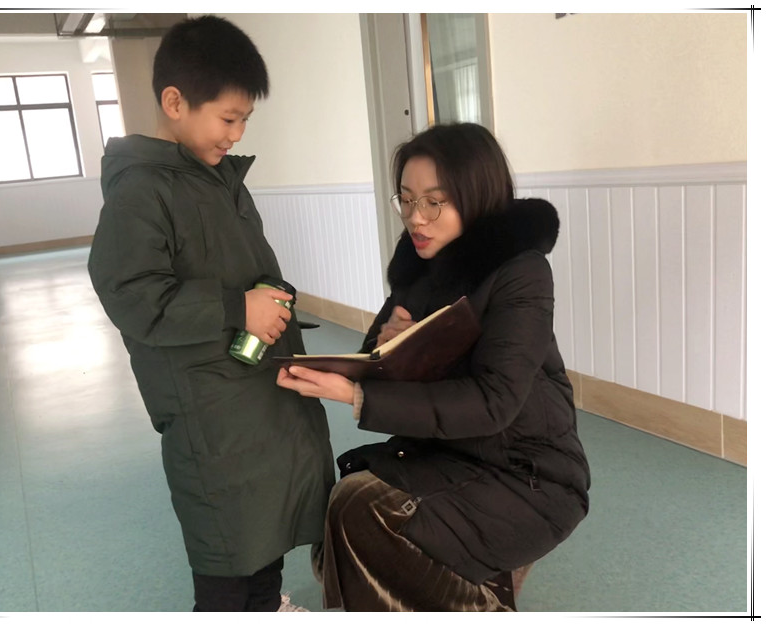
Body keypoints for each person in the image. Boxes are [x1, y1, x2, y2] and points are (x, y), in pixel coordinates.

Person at [277, 122, 591, 612]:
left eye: (433, 201)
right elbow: (374, 355)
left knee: (363, 513)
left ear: (476, 195)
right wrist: (387, 342)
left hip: (529, 475)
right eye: (405, 200)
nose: (415, 218)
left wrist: (359, 394)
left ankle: (485, 605)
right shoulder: (420, 264)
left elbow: (494, 401)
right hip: (447, 453)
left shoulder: (522, 271)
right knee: (340, 516)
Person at [87, 15, 334, 612]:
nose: (238, 132)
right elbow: (132, 295)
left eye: (246, 118)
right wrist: (236, 307)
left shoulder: (219, 177)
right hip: (208, 407)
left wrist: (266, 297)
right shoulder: (141, 190)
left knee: (265, 525)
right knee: (226, 553)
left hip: (254, 390)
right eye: (228, 118)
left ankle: (268, 605)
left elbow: (237, 262)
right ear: (175, 102)